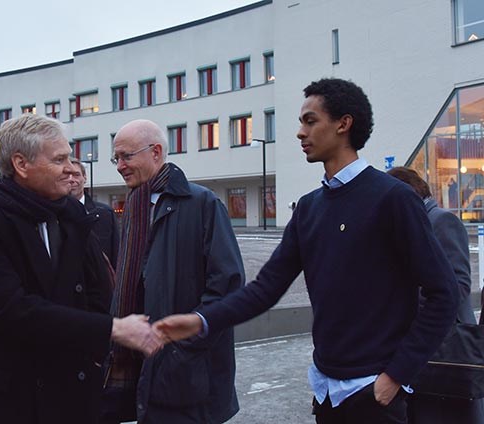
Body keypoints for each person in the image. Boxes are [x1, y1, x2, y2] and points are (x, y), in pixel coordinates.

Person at [156, 78, 458, 424]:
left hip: (374, 392)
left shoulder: (393, 199)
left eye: (310, 121)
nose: (300, 132)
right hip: (326, 390)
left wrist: (396, 375)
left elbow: (444, 293)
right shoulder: (309, 208)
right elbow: (265, 289)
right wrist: (201, 320)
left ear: (344, 124)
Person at [0, 114, 161, 424]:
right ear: (21, 164)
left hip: (71, 392)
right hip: (9, 400)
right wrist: (113, 329)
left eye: (70, 158)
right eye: (59, 159)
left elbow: (97, 291)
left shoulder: (71, 211)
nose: (71, 168)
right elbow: (13, 310)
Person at [102, 119, 244, 424]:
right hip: (141, 362)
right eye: (116, 158)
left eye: (126, 156)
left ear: (155, 152)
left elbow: (228, 287)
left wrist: (179, 345)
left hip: (186, 372)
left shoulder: (201, 203)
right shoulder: (133, 210)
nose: (119, 166)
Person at [387, 166, 484, 424]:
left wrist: (399, 304)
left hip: (447, 354)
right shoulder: (412, 225)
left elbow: (459, 286)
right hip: (422, 353)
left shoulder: (441, 221)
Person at [69, 157, 119, 267]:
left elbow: (116, 255)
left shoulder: (106, 214)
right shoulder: (52, 215)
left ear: (85, 178)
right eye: (67, 175)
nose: (71, 179)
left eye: (76, 175)